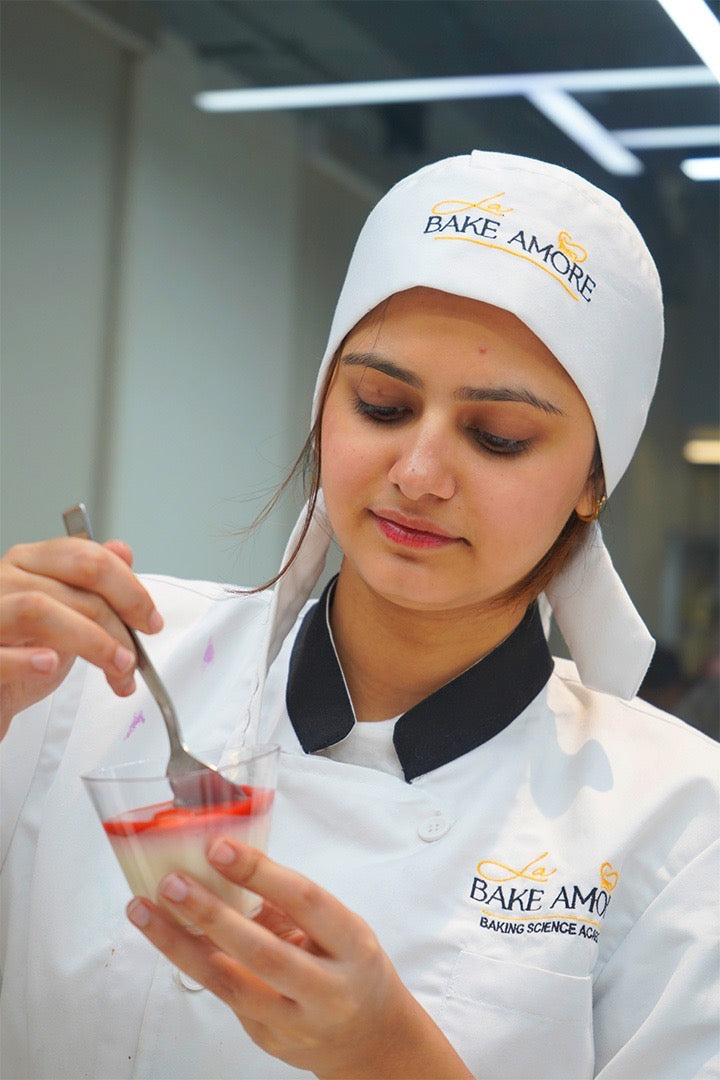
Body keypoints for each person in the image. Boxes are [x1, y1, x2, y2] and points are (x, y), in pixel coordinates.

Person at [1, 150, 718, 1080]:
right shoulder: (95, 673)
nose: (418, 474)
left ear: (592, 482)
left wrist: (395, 1060)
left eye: (498, 437)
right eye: (381, 405)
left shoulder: (679, 822)